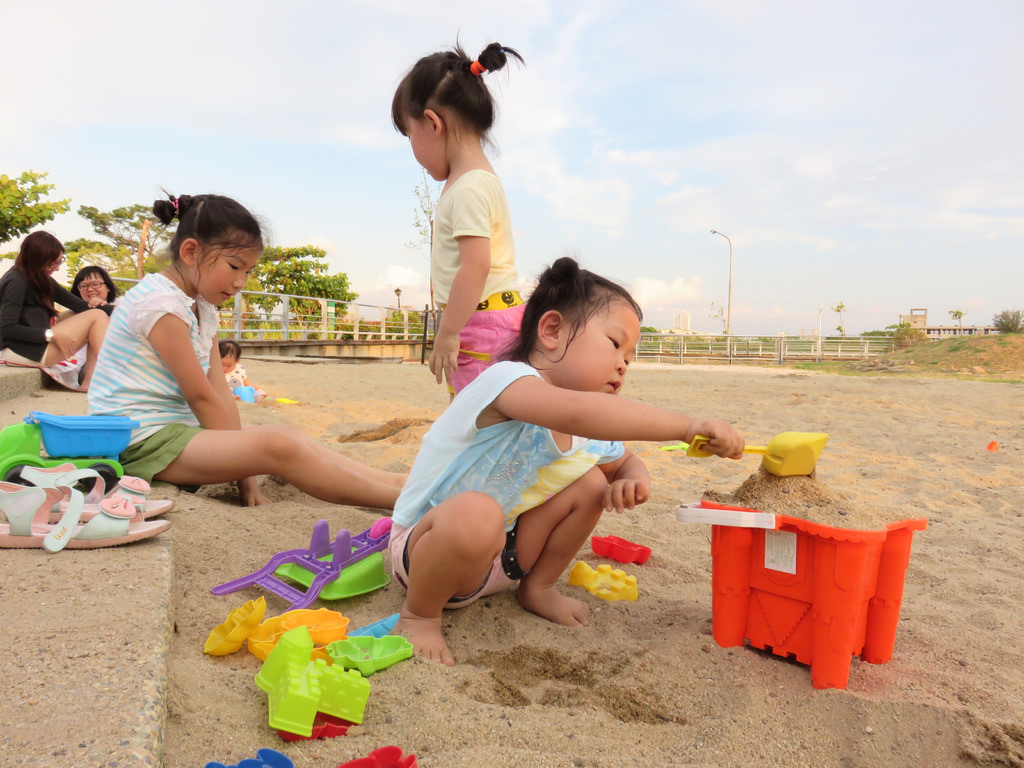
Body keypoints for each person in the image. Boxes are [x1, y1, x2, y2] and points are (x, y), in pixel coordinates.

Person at [389, 257, 745, 665]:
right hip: (426, 555)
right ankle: (419, 615)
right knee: (478, 513)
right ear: (552, 330)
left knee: (592, 484)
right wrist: (688, 426)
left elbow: (622, 458)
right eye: (614, 344)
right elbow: (576, 411)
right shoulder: (506, 381)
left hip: (498, 563)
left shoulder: (590, 432)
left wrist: (633, 478)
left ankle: (537, 588)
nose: (622, 365)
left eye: (630, 358)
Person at [88, 193, 405, 508]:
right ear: (190, 252)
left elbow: (220, 391)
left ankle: (396, 483)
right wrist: (246, 470)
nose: (241, 281)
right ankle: (404, 501)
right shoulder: (160, 305)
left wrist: (244, 466)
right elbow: (201, 397)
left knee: (289, 434)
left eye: (249, 271)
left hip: (173, 434)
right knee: (278, 447)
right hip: (138, 444)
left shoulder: (201, 306)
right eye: (234, 266)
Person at [392, 41, 525, 396]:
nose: (413, 150)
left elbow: (476, 266)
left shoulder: (468, 188)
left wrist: (449, 332)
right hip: (494, 316)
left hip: (478, 323)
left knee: (471, 421)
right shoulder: (479, 180)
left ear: (432, 124)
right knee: (493, 417)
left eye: (410, 134)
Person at [0, 231, 110, 389]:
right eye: (52, 264)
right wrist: (51, 335)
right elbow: (7, 328)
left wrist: (118, 309)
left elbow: (81, 306)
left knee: (91, 313)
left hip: (35, 346)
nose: (57, 268)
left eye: (59, 262)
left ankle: (89, 383)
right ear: (36, 261)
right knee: (97, 316)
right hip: (19, 350)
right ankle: (111, 374)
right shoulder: (16, 281)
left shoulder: (43, 281)